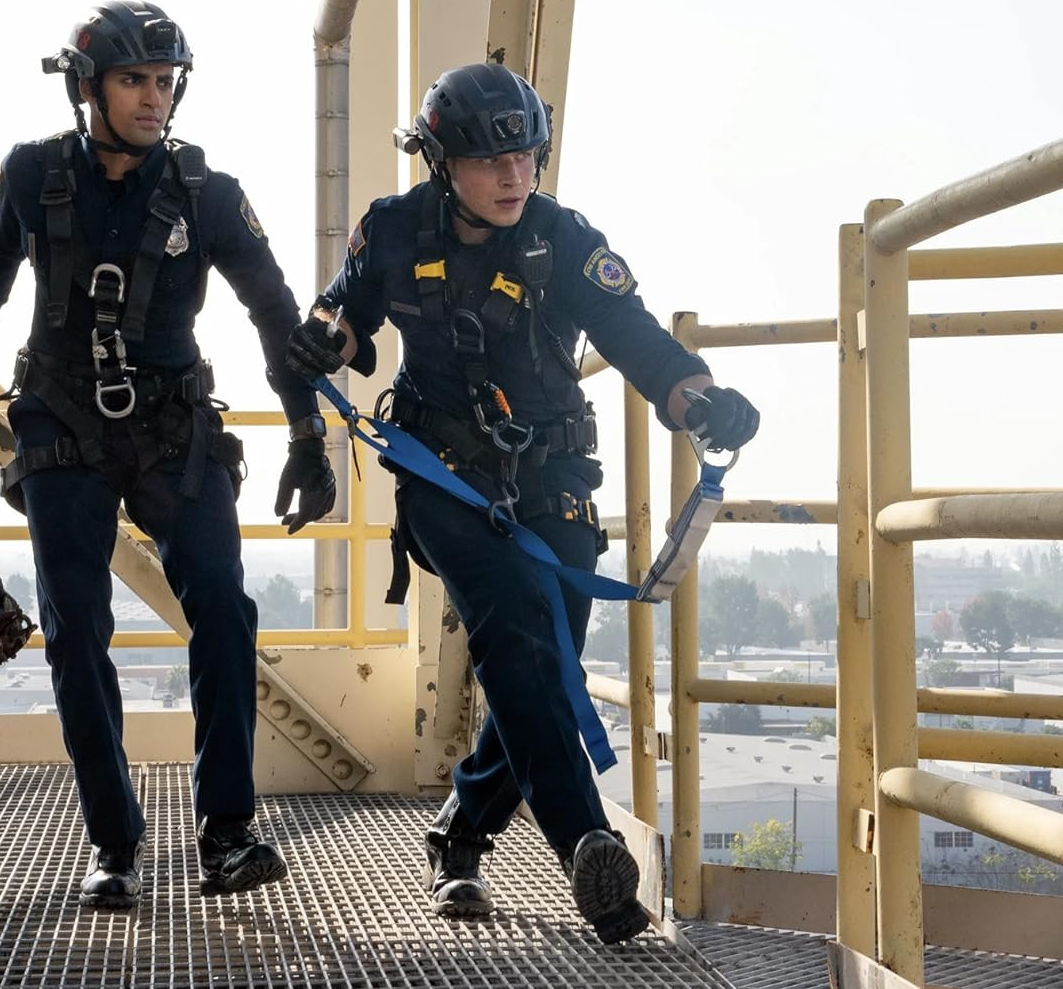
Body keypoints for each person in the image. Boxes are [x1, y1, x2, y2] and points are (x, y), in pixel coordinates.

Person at [285, 62, 758, 944]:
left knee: (541, 663)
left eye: (527, 157)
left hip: (552, 481)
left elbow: (637, 339)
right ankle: (586, 844)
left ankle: (462, 831)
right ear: (441, 163)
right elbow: (344, 318)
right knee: (513, 630)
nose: (513, 177)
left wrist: (703, 401)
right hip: (440, 476)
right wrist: (322, 344)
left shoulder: (562, 239)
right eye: (490, 162)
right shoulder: (393, 229)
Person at [0, 0, 336, 909]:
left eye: (165, 82)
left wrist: (307, 435)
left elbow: (275, 314)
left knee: (223, 605)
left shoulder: (208, 194)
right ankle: (113, 843)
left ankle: (227, 834)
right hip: (62, 430)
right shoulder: (31, 176)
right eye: (134, 80)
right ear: (87, 88)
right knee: (74, 629)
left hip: (174, 431)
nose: (153, 99)